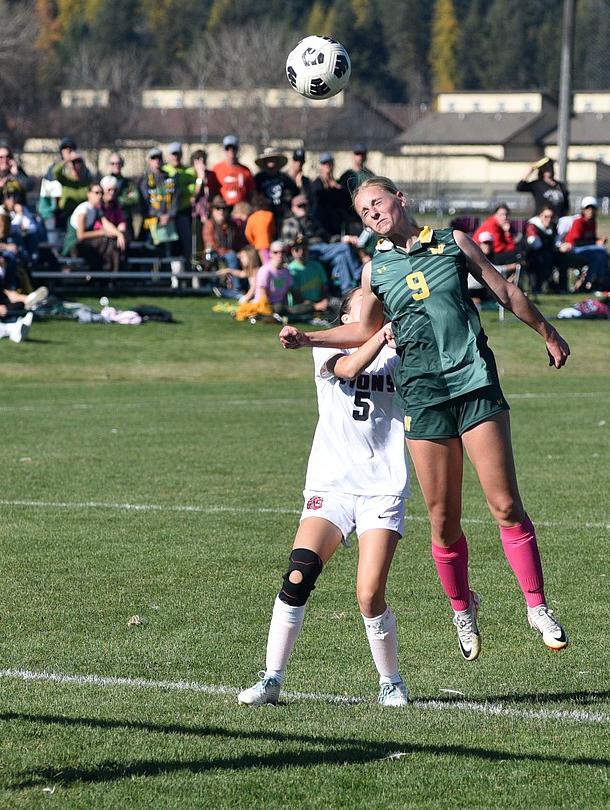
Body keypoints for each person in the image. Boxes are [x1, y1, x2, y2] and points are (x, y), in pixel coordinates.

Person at [279, 175, 571, 661]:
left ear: (401, 199)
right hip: (423, 395)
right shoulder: (377, 271)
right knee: (442, 518)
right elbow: (361, 329)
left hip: (474, 382)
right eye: (365, 213)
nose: (373, 214)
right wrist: (307, 339)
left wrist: (548, 331)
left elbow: (504, 291)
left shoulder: (454, 242)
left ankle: (536, 605)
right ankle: (463, 608)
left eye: (378, 203)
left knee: (504, 505)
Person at [239, 288, 410, 707]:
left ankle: (391, 682)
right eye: (363, 305)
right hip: (331, 484)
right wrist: (377, 334)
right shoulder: (325, 348)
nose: (373, 308)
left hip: (382, 486)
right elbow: (349, 369)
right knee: (298, 574)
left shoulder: (399, 348)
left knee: (369, 595)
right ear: (346, 316)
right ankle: (272, 679)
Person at [278, 193, 362, 294]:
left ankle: (347, 291)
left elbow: (328, 238)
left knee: (341, 257)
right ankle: (359, 277)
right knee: (345, 247)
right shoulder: (290, 222)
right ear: (293, 208)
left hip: (323, 248)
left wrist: (343, 238)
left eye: (305, 205)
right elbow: (288, 244)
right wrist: (299, 239)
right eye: (299, 206)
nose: (303, 208)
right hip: (308, 250)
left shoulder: (312, 220)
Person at [64, 183, 127, 273]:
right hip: (75, 246)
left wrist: (119, 234)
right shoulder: (84, 210)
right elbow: (80, 235)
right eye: (96, 193)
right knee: (106, 241)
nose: (100, 196)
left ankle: (111, 274)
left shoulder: (96, 210)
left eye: (101, 193)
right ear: (89, 194)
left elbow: (106, 224)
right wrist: (102, 232)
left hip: (87, 245)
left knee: (111, 242)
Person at [559, 196, 610, 291]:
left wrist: (600, 239)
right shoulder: (578, 222)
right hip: (573, 250)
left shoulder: (592, 223)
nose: (590, 211)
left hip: (586, 251)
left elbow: (589, 239)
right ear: (583, 210)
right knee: (601, 251)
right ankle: (593, 282)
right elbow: (577, 242)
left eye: (593, 209)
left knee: (599, 256)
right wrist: (596, 243)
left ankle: (591, 283)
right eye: (588, 208)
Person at [139, 148, 178, 255]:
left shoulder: (169, 179)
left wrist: (168, 216)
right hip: (151, 224)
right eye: (153, 158)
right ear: (149, 160)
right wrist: (160, 215)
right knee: (150, 254)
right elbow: (145, 203)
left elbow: (175, 198)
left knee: (169, 255)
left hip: (168, 224)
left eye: (159, 158)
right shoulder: (145, 180)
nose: (157, 160)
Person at [285, 239, 336, 320]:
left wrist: (324, 300)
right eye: (297, 250)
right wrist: (315, 306)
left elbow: (324, 287)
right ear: (292, 251)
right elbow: (296, 297)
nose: (301, 252)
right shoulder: (291, 270)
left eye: (304, 249)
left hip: (319, 301)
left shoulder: (317, 265)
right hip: (302, 305)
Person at [523, 206, 563, 294]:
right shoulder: (532, 226)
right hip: (531, 255)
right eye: (546, 216)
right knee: (544, 258)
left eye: (551, 217)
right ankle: (537, 287)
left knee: (563, 257)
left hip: (547, 253)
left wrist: (561, 247)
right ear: (540, 216)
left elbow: (557, 242)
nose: (549, 219)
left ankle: (561, 287)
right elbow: (535, 244)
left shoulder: (553, 227)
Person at [253, 149, 299, 223]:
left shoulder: (284, 178)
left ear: (277, 161)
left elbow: (295, 193)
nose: (271, 162)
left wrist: (288, 205)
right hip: (264, 215)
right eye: (268, 160)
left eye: (273, 159)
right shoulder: (259, 179)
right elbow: (254, 195)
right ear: (264, 162)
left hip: (282, 215)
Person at [311, 152, 351, 237]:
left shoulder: (339, 184)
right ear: (321, 165)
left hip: (337, 223)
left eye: (329, 162)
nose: (327, 165)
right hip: (322, 223)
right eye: (324, 163)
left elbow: (345, 201)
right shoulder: (317, 184)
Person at [0, 142, 33, 208]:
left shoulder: (18, 172)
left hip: (19, 210)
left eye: (7, 156)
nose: (4, 160)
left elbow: (29, 187)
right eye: (1, 157)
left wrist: (17, 175)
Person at [211, 135, 255, 208]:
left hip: (241, 210)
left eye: (234, 148)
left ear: (237, 150)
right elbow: (212, 192)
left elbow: (252, 192)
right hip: (223, 210)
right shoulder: (216, 169)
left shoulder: (245, 170)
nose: (231, 151)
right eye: (228, 148)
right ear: (224, 150)